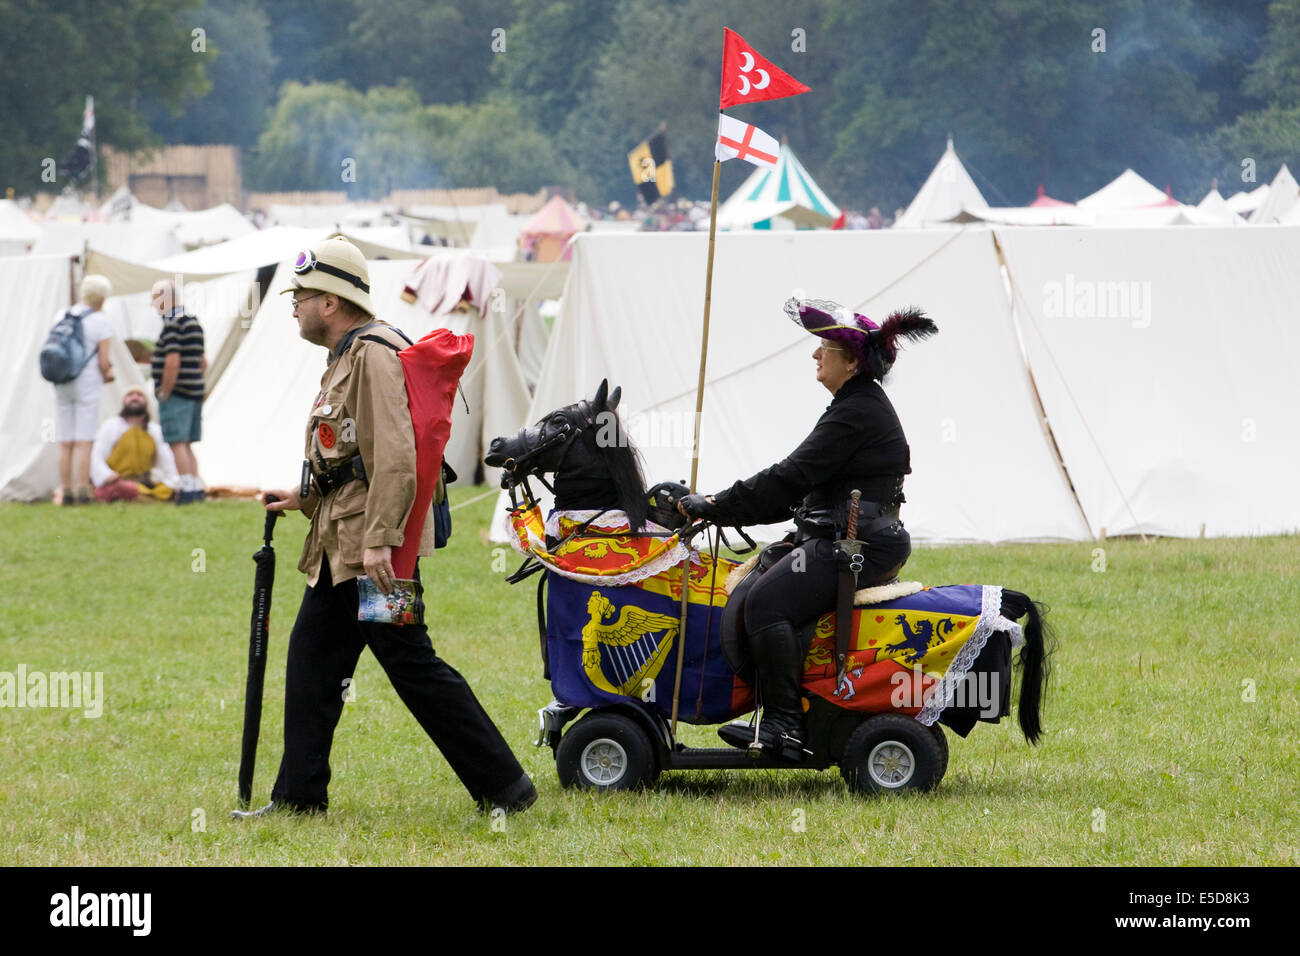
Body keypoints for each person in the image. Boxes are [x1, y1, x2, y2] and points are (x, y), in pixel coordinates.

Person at [233, 237, 535, 819]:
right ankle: (298, 797)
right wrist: (304, 497)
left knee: (413, 665)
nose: (294, 305)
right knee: (313, 664)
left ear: (332, 301)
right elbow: (349, 455)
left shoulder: (370, 355)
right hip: (341, 549)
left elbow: (395, 455)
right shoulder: (346, 354)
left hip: (369, 553)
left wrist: (381, 540)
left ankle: (506, 787)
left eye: (302, 295)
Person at [678, 297, 938, 759]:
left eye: (825, 348)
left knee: (765, 603)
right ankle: (783, 712)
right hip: (843, 537)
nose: (815, 355)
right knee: (764, 586)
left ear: (853, 360)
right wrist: (717, 504)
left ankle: (787, 726)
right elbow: (799, 489)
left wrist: (717, 505)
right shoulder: (853, 405)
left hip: (857, 544)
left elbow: (787, 478)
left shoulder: (857, 411)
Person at [53, 274, 115, 505]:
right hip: (87, 383)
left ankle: (65, 489)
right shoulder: (101, 321)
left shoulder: (62, 314)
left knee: (65, 439)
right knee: (84, 440)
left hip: (62, 381)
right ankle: (82, 490)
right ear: (103, 297)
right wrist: (109, 374)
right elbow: (103, 362)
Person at [149, 279, 206, 504]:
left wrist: (165, 390)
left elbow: (172, 361)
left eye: (154, 297)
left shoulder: (173, 324)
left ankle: (186, 490)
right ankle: (195, 486)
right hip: (194, 391)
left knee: (177, 442)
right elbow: (202, 362)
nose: (152, 303)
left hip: (178, 393)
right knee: (187, 443)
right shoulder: (193, 321)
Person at [89, 386, 179, 502]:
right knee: (123, 488)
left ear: (146, 402)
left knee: (166, 488)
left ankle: (143, 497)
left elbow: (167, 460)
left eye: (139, 395)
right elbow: (96, 456)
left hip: (143, 482)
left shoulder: (154, 430)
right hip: (117, 481)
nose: (134, 397)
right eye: (130, 395)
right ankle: (144, 498)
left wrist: (173, 482)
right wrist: (107, 475)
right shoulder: (111, 426)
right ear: (124, 402)